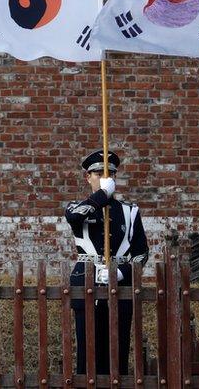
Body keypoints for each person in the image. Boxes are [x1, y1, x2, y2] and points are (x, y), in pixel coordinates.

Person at [65, 150, 148, 376]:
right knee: (87, 353)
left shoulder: (130, 212)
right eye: (98, 173)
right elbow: (75, 218)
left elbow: (141, 254)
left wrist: (122, 271)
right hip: (86, 280)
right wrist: (102, 194)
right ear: (87, 177)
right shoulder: (76, 207)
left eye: (109, 174)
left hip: (119, 285)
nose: (105, 177)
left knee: (117, 352)